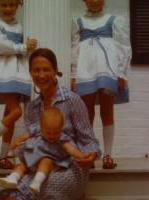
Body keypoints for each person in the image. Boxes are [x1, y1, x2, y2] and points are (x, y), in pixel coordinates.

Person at [0, 48, 101, 200]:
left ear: (56, 71)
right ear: (30, 73)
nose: (41, 75)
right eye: (36, 70)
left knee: (12, 198)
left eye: (46, 69)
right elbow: (30, 143)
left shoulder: (73, 100)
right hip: (36, 167)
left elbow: (88, 140)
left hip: (68, 168)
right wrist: (25, 157)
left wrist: (92, 155)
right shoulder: (32, 107)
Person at [0, 0, 37, 170]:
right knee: (16, 111)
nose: (8, 9)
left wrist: (28, 48)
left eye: (12, 4)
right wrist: (23, 47)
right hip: (0, 72)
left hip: (16, 73)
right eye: (4, 5)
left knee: (9, 113)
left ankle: (3, 157)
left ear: (18, 5)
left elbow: (23, 51)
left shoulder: (20, 26)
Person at [71, 0, 132, 169]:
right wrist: (74, 73)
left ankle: (108, 155)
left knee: (107, 110)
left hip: (107, 68)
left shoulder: (113, 20)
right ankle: (89, 152)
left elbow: (123, 46)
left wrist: (121, 72)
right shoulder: (78, 22)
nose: (95, 1)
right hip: (86, 69)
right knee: (86, 112)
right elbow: (73, 48)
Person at [0, 107, 88, 194]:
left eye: (56, 132)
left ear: (61, 128)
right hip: (34, 162)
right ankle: (12, 178)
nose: (52, 136)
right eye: (48, 133)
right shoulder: (37, 130)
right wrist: (16, 142)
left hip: (52, 162)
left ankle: (37, 182)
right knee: (21, 165)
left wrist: (82, 156)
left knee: (45, 161)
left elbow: (71, 149)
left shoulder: (61, 139)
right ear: (41, 127)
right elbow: (24, 137)